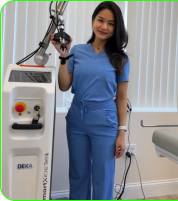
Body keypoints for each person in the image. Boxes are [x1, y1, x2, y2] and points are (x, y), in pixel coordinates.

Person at [51, 1, 130, 200]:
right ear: (93, 20)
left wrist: (122, 132)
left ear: (116, 27)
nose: (104, 27)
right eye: (100, 20)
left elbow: (121, 97)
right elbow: (63, 86)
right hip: (77, 119)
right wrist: (63, 56)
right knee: (78, 174)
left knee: (103, 177)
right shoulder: (76, 51)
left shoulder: (120, 58)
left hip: (105, 122)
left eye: (111, 23)